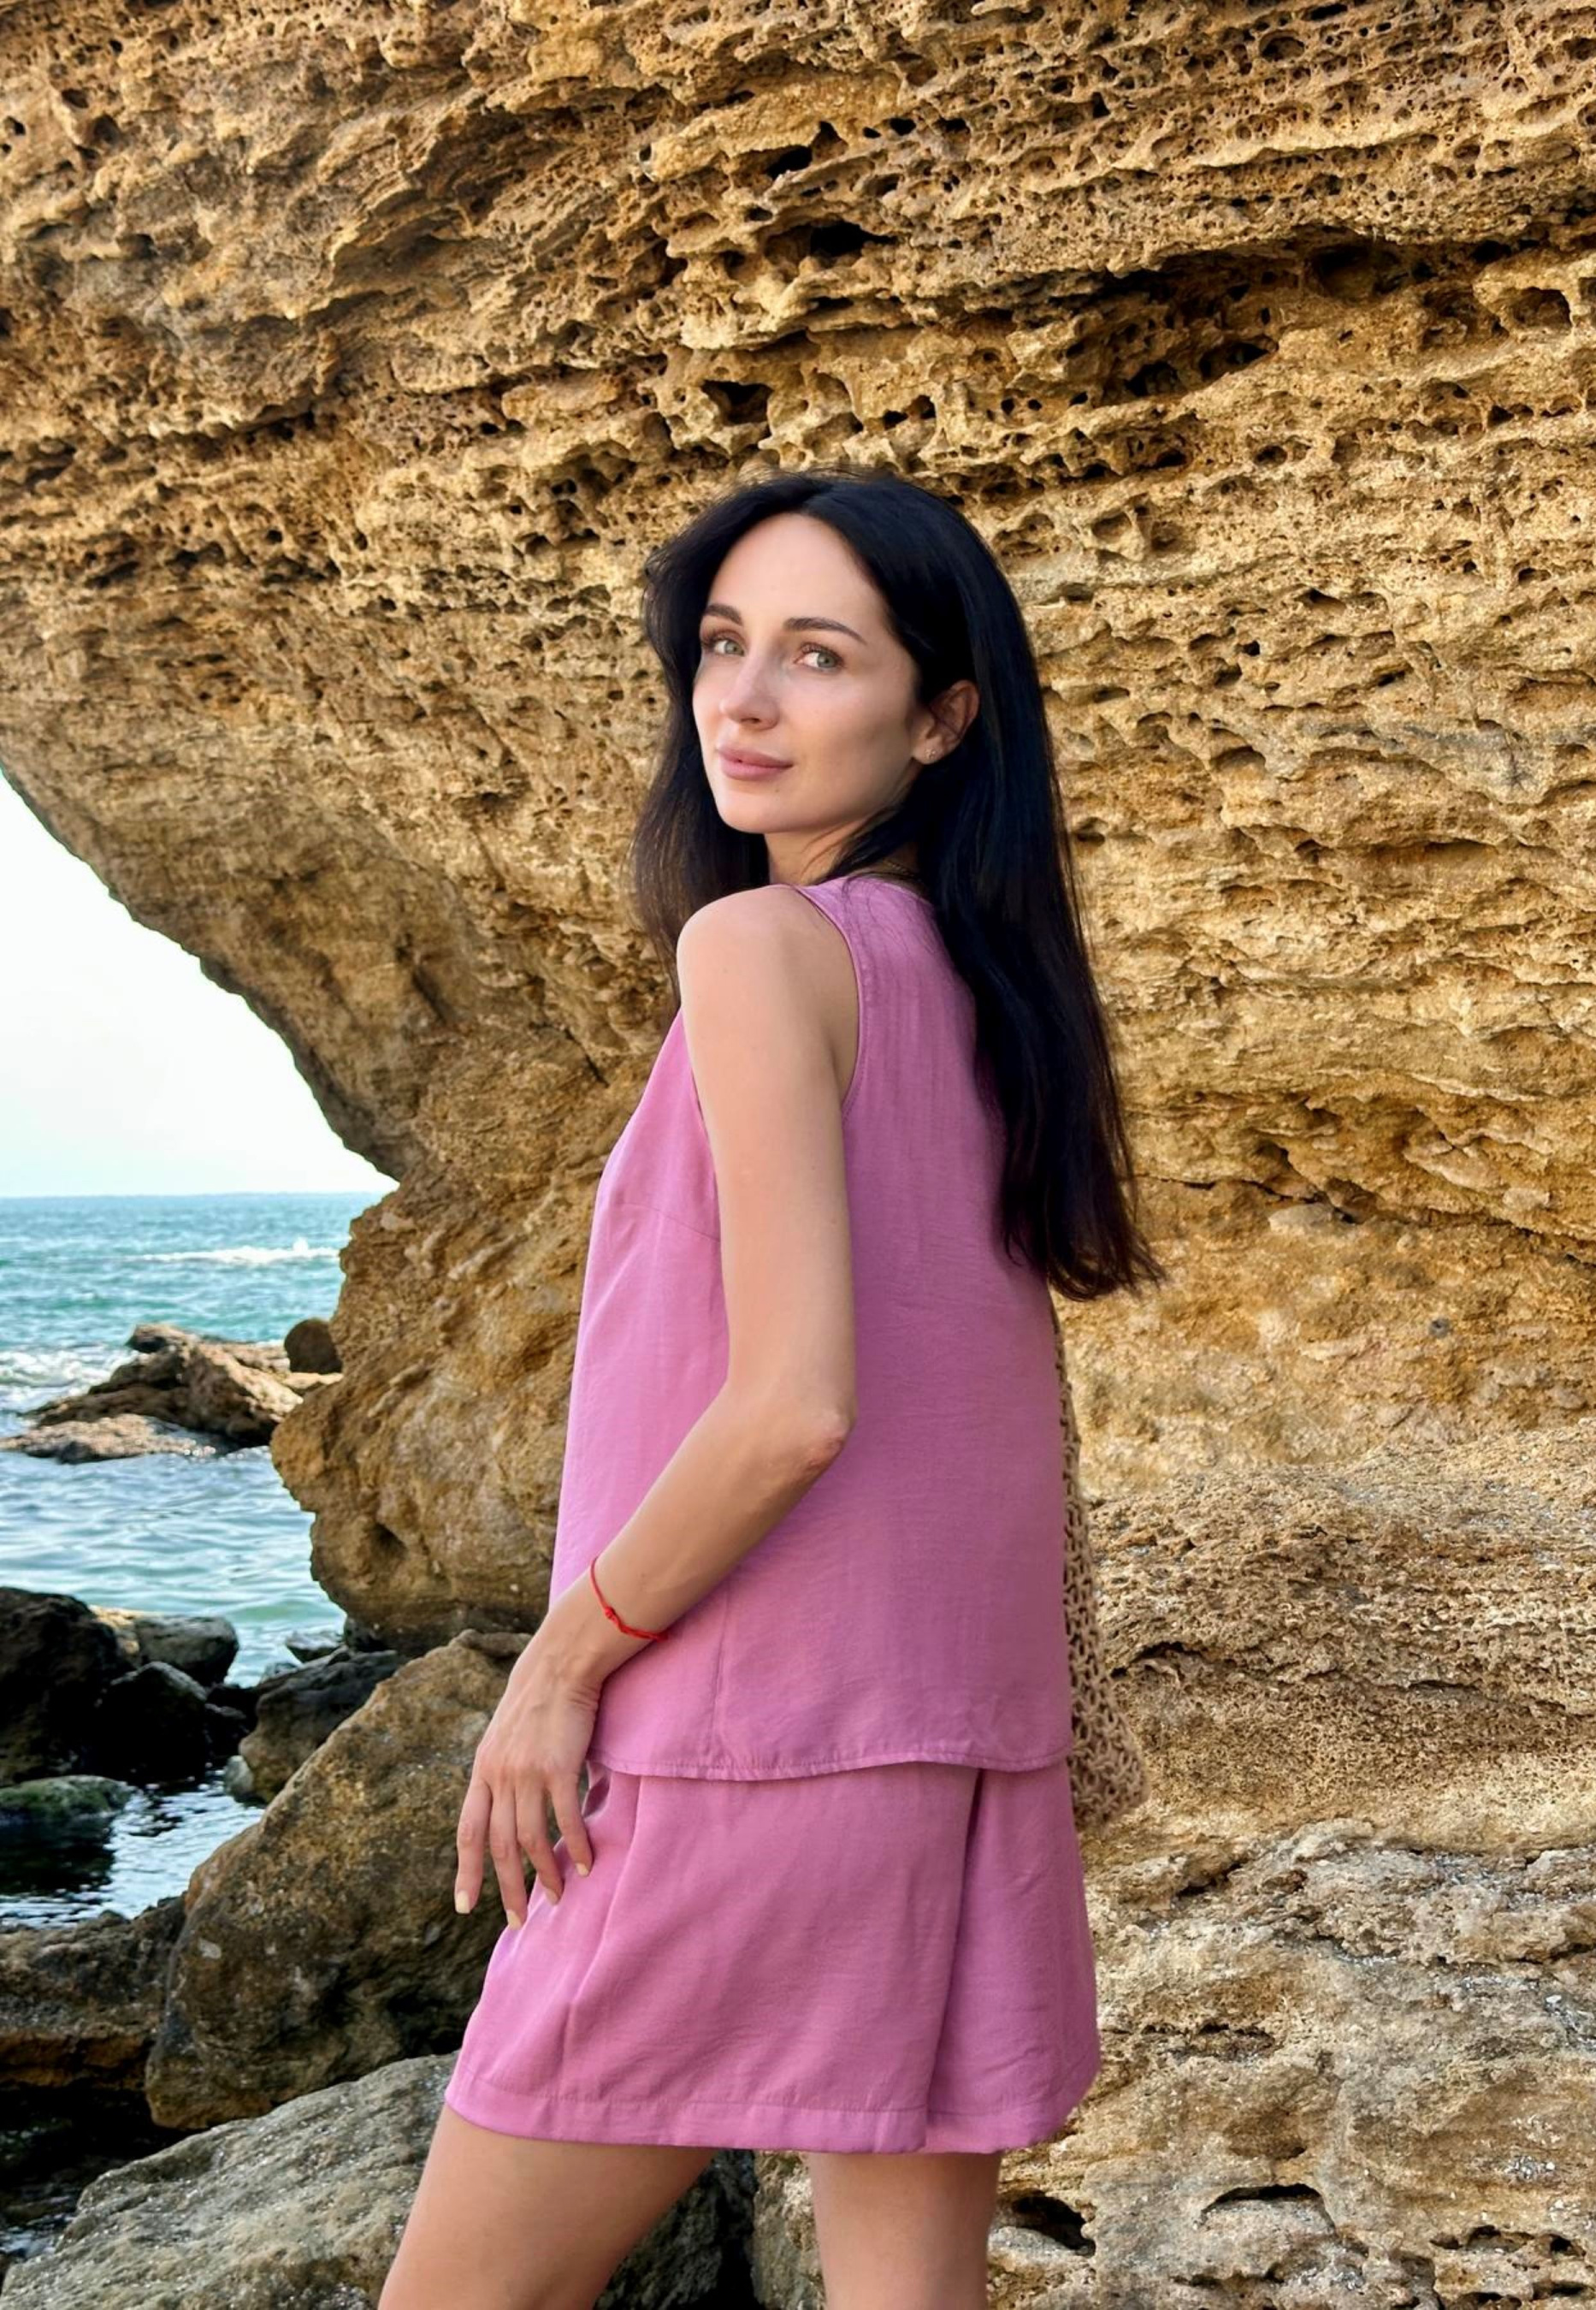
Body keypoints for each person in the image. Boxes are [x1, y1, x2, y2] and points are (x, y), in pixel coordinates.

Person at [381, 464, 1167, 2310]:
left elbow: (792, 1403)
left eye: (818, 656)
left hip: (745, 1739)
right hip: (956, 1748)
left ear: (940, 716)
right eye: (722, 645)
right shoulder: (987, 988)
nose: (741, 699)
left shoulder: (758, 948)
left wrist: (556, 1667)